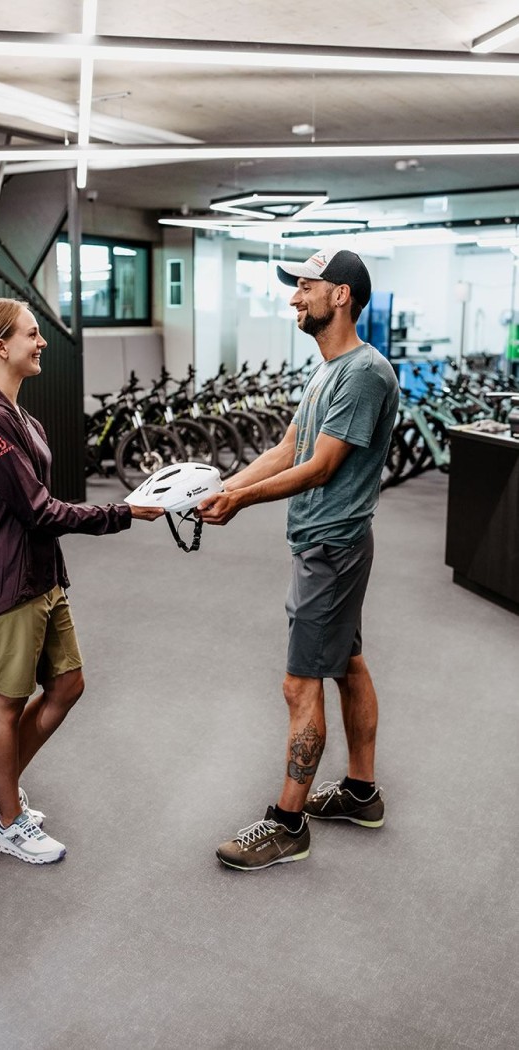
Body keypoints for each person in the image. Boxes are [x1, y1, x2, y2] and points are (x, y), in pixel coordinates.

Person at [197, 248, 399, 872]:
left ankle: (289, 824)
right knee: (346, 662)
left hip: (331, 547)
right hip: (328, 543)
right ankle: (362, 793)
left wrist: (243, 502)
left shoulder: (363, 373)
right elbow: (291, 447)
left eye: (305, 287)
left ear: (340, 295)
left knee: (299, 682)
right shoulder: (327, 370)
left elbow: (322, 466)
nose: (294, 298)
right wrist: (226, 485)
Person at [0, 297, 162, 865]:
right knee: (5, 702)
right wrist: (123, 512)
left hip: (42, 576)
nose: (42, 343)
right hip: (6, 582)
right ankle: (8, 820)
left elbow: (39, 511)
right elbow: (38, 510)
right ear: (1, 346)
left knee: (68, 684)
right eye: (33, 334)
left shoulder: (22, 417)